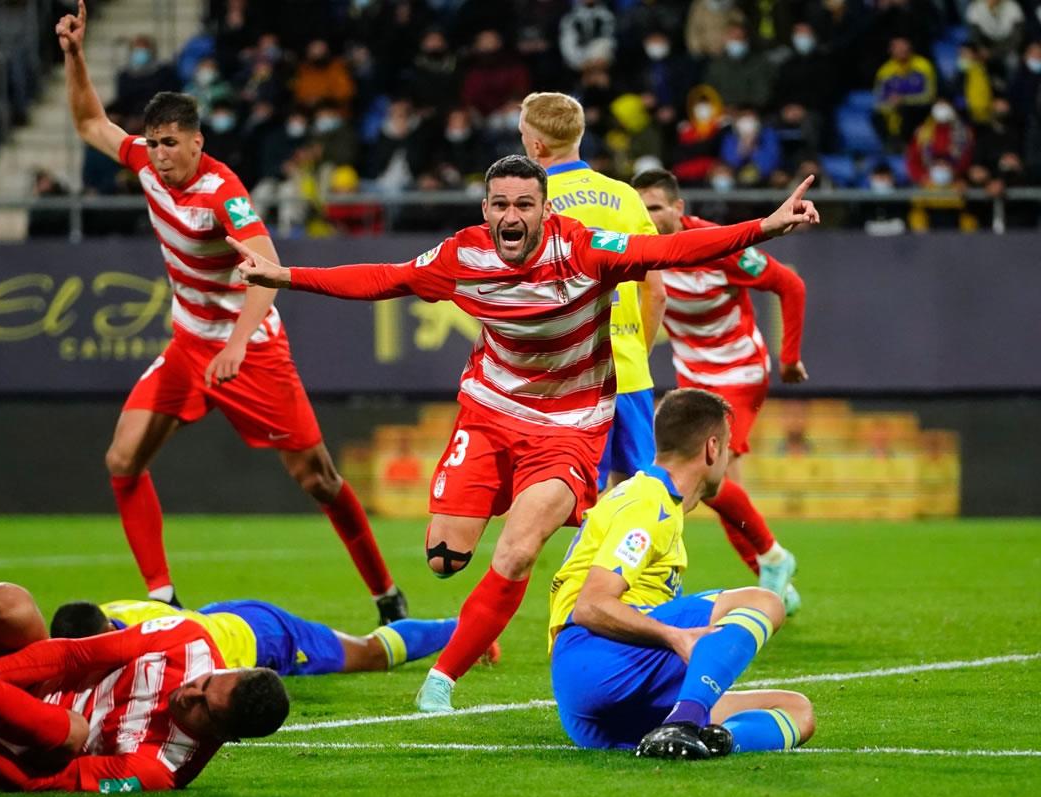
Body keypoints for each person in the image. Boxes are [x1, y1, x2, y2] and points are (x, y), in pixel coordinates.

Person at [227, 154, 820, 712]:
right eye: (500, 204)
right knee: (442, 559)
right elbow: (385, 278)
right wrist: (284, 275)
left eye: (524, 205)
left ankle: (441, 680)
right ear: (486, 210)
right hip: (489, 414)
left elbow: (676, 249)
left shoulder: (586, 250)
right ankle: (543, 538)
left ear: (545, 209)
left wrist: (765, 226)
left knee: (516, 551)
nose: (511, 216)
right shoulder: (464, 255)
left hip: (569, 426)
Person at [56, 1, 406, 622]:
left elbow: (266, 266)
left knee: (319, 479)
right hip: (189, 343)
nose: (160, 154)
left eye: (172, 144)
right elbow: (89, 123)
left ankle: (386, 595)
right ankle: (164, 600)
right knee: (122, 460)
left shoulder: (224, 194)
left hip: (251, 348)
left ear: (198, 142)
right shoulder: (144, 163)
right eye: (154, 142)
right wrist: (75, 55)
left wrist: (239, 342)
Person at [549, 388, 815, 757]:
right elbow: (590, 606)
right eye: (726, 448)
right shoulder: (648, 503)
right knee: (764, 600)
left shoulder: (656, 502)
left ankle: (706, 742)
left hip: (610, 701)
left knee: (797, 711)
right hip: (597, 657)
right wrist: (673, 636)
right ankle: (686, 720)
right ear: (711, 448)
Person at [0, 583, 288, 791]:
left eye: (203, 709)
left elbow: (37, 783)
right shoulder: (190, 640)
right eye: (205, 683)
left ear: (225, 736)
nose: (189, 693)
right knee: (14, 604)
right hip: (9, 683)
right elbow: (75, 654)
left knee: (74, 730)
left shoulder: (160, 769)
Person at [631, 168, 804, 612]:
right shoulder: (639, 253)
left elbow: (790, 284)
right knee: (714, 487)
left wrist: (789, 358)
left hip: (739, 372)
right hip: (693, 377)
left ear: (678, 208)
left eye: (654, 207)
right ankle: (773, 580)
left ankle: (773, 560)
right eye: (640, 208)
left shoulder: (717, 246)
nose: (646, 216)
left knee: (708, 481)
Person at [518, 91, 667, 492]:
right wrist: (636, 351)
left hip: (568, 378)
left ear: (535, 145)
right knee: (640, 497)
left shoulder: (532, 203)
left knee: (576, 497)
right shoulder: (625, 196)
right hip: (629, 372)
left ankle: (582, 558)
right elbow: (656, 292)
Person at [49, 597, 461, 676]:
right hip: (222, 616)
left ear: (106, 631)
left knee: (369, 653)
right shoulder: (113, 612)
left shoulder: (147, 649)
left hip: (265, 639)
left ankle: (461, 629)